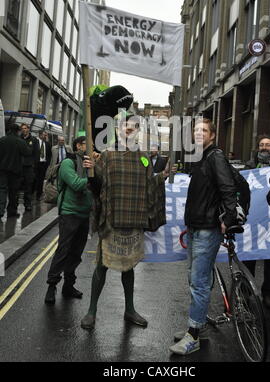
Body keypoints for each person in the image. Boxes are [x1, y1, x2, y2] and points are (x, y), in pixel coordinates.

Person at [81, 114, 173, 330]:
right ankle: (91, 311)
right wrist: (91, 172)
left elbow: (150, 184)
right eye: (125, 127)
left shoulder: (142, 157)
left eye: (134, 127)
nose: (129, 130)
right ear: (118, 130)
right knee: (102, 266)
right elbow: (98, 187)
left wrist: (163, 176)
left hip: (133, 220)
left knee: (129, 267)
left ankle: (129, 310)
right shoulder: (106, 155)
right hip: (111, 219)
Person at [169, 118, 238, 356]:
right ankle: (196, 326)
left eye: (204, 130)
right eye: (196, 130)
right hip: (197, 227)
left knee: (198, 282)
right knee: (196, 279)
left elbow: (228, 188)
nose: (199, 134)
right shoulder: (202, 158)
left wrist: (227, 219)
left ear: (212, 135)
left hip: (208, 229)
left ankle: (194, 336)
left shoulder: (215, 157)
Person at [44, 136, 93, 304]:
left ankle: (68, 286)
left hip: (84, 213)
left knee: (76, 252)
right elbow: (77, 184)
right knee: (63, 250)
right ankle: (51, 286)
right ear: (79, 145)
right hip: (69, 212)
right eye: (88, 143)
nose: (92, 147)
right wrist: (92, 177)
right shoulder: (67, 163)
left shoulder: (90, 163)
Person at [244, 135, 270, 309]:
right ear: (258, 148)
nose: (264, 147)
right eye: (261, 145)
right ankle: (245, 293)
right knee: (249, 258)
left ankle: (268, 295)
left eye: (268, 145)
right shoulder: (250, 167)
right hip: (254, 219)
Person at [0, 124, 31, 221]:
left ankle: (0, 211)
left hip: (2, 170)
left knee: (2, 190)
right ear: (18, 131)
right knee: (13, 192)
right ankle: (11, 211)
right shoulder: (20, 141)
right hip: (15, 171)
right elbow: (27, 153)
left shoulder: (2, 140)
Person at [20, 123, 39, 211]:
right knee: (17, 186)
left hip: (29, 167)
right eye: (22, 128)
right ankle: (14, 205)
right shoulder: (19, 139)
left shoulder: (34, 140)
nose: (24, 130)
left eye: (25, 128)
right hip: (19, 166)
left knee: (28, 186)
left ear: (28, 129)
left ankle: (27, 204)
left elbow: (36, 154)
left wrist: (34, 166)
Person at [35, 130, 52, 200]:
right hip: (36, 163)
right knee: (35, 179)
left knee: (41, 180)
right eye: (44, 135)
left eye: (46, 135)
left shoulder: (47, 144)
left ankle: (38, 195)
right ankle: (32, 192)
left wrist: (47, 163)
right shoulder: (35, 142)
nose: (45, 136)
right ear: (40, 135)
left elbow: (49, 154)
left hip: (43, 164)